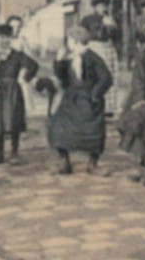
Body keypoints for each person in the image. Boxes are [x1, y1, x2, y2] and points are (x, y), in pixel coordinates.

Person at [45, 25, 111, 175]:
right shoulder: (69, 57)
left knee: (92, 132)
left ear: (75, 41)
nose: (67, 43)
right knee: (58, 128)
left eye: (69, 40)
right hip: (71, 96)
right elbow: (61, 77)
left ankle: (92, 164)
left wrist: (95, 95)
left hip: (88, 98)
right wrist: (59, 61)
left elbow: (106, 78)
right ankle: (64, 162)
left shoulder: (93, 57)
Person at [0, 26, 39, 165]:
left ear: (11, 39)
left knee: (13, 121)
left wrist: (25, 78)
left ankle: (14, 153)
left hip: (12, 91)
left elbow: (33, 65)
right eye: (0, 37)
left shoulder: (16, 55)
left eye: (6, 37)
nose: (3, 40)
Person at [81, 0, 126, 119]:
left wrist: (112, 27)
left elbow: (118, 37)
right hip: (94, 47)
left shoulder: (112, 19)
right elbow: (83, 35)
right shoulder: (87, 20)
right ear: (95, 7)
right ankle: (93, 105)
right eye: (100, 6)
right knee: (96, 76)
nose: (103, 8)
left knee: (110, 76)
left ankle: (109, 108)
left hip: (108, 47)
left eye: (105, 6)